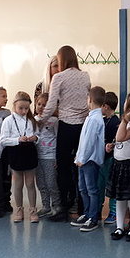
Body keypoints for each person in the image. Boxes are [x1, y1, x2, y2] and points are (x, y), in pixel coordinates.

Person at [37, 46, 91, 222]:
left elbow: (51, 105)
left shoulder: (59, 77)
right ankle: (82, 207)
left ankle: (63, 209)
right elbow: (87, 101)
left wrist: (39, 120)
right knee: (81, 166)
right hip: (82, 126)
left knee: (63, 168)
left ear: (61, 60)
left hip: (66, 126)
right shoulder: (85, 75)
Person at [106, 91, 130, 241]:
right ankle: (119, 226)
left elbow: (121, 137)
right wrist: (112, 145)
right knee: (120, 198)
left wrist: (124, 120)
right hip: (119, 164)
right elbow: (118, 140)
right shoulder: (126, 123)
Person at [70, 86, 106, 232]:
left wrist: (82, 158)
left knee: (91, 189)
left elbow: (90, 142)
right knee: (83, 188)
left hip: (89, 160)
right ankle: (86, 213)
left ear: (90, 100)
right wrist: (79, 156)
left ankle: (93, 217)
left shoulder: (95, 119)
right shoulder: (91, 117)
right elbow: (83, 140)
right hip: (83, 159)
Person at [0, 91, 40, 223]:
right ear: (14, 106)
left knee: (30, 183)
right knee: (18, 184)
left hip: (29, 152)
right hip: (15, 152)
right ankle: (19, 209)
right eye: (21, 108)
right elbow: (3, 140)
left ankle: (33, 210)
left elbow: (38, 135)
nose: (23, 111)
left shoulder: (31, 120)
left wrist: (35, 138)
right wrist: (17, 139)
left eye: (26, 108)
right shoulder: (8, 121)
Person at [34, 92, 60, 218]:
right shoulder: (33, 120)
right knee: (41, 183)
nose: (41, 107)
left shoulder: (54, 121)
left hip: (50, 156)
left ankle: (56, 205)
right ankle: (45, 206)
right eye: (39, 104)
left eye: (44, 105)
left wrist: (57, 157)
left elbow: (58, 138)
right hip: (37, 157)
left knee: (51, 183)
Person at [99, 91, 120, 224]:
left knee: (111, 185)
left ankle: (113, 212)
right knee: (99, 184)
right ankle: (98, 209)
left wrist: (110, 145)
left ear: (105, 106)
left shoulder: (115, 122)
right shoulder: (102, 120)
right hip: (101, 158)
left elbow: (116, 140)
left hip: (110, 158)